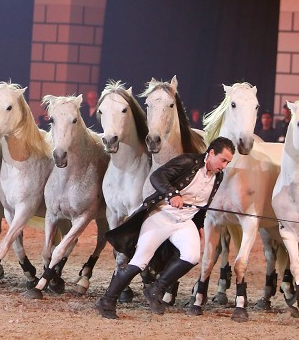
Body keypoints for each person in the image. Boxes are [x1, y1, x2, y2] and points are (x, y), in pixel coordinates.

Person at [97, 136, 236, 319]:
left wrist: (199, 226)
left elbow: (203, 205)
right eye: (223, 160)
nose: (224, 165)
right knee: (140, 261)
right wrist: (172, 194)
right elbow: (157, 176)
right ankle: (107, 300)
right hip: (161, 217)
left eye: (228, 162)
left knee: (192, 255)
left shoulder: (218, 176)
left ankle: (156, 289)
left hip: (184, 222)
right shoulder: (188, 161)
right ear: (211, 153)